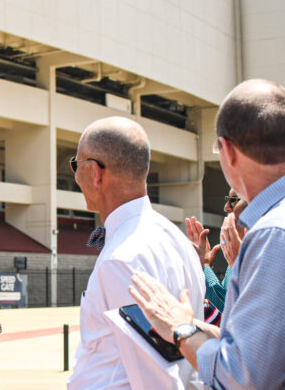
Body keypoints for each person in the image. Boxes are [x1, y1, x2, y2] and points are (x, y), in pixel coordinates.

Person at [130, 79, 285, 388]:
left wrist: (180, 330)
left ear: (227, 150)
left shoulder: (275, 234)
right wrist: (188, 325)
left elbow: (242, 377)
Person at [67, 117, 205, 389]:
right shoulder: (174, 237)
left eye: (76, 164)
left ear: (95, 172)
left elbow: (155, 377)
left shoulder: (122, 258)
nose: (76, 176)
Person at [185, 191, 248, 312]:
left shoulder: (269, 251)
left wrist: (205, 266)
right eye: (228, 199)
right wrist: (204, 266)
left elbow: (230, 314)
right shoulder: (238, 252)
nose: (226, 207)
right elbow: (223, 305)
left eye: (234, 200)